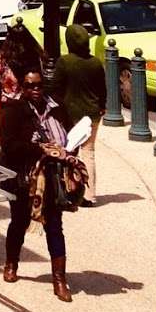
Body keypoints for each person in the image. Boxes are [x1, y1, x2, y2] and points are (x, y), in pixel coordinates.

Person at [0, 70, 84, 301]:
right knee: (19, 222)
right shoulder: (13, 110)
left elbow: (71, 133)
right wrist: (40, 149)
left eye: (38, 85)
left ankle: (59, 280)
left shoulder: (57, 108)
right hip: (23, 179)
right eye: (30, 85)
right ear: (23, 87)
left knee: (54, 226)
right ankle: (11, 263)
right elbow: (9, 146)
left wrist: (68, 151)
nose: (35, 90)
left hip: (53, 178)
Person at [50, 24, 106, 203]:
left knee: (69, 153)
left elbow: (54, 87)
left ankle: (70, 189)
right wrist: (101, 107)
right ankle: (90, 195)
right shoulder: (95, 63)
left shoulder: (65, 62)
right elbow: (102, 90)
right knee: (89, 152)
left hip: (70, 114)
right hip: (92, 114)